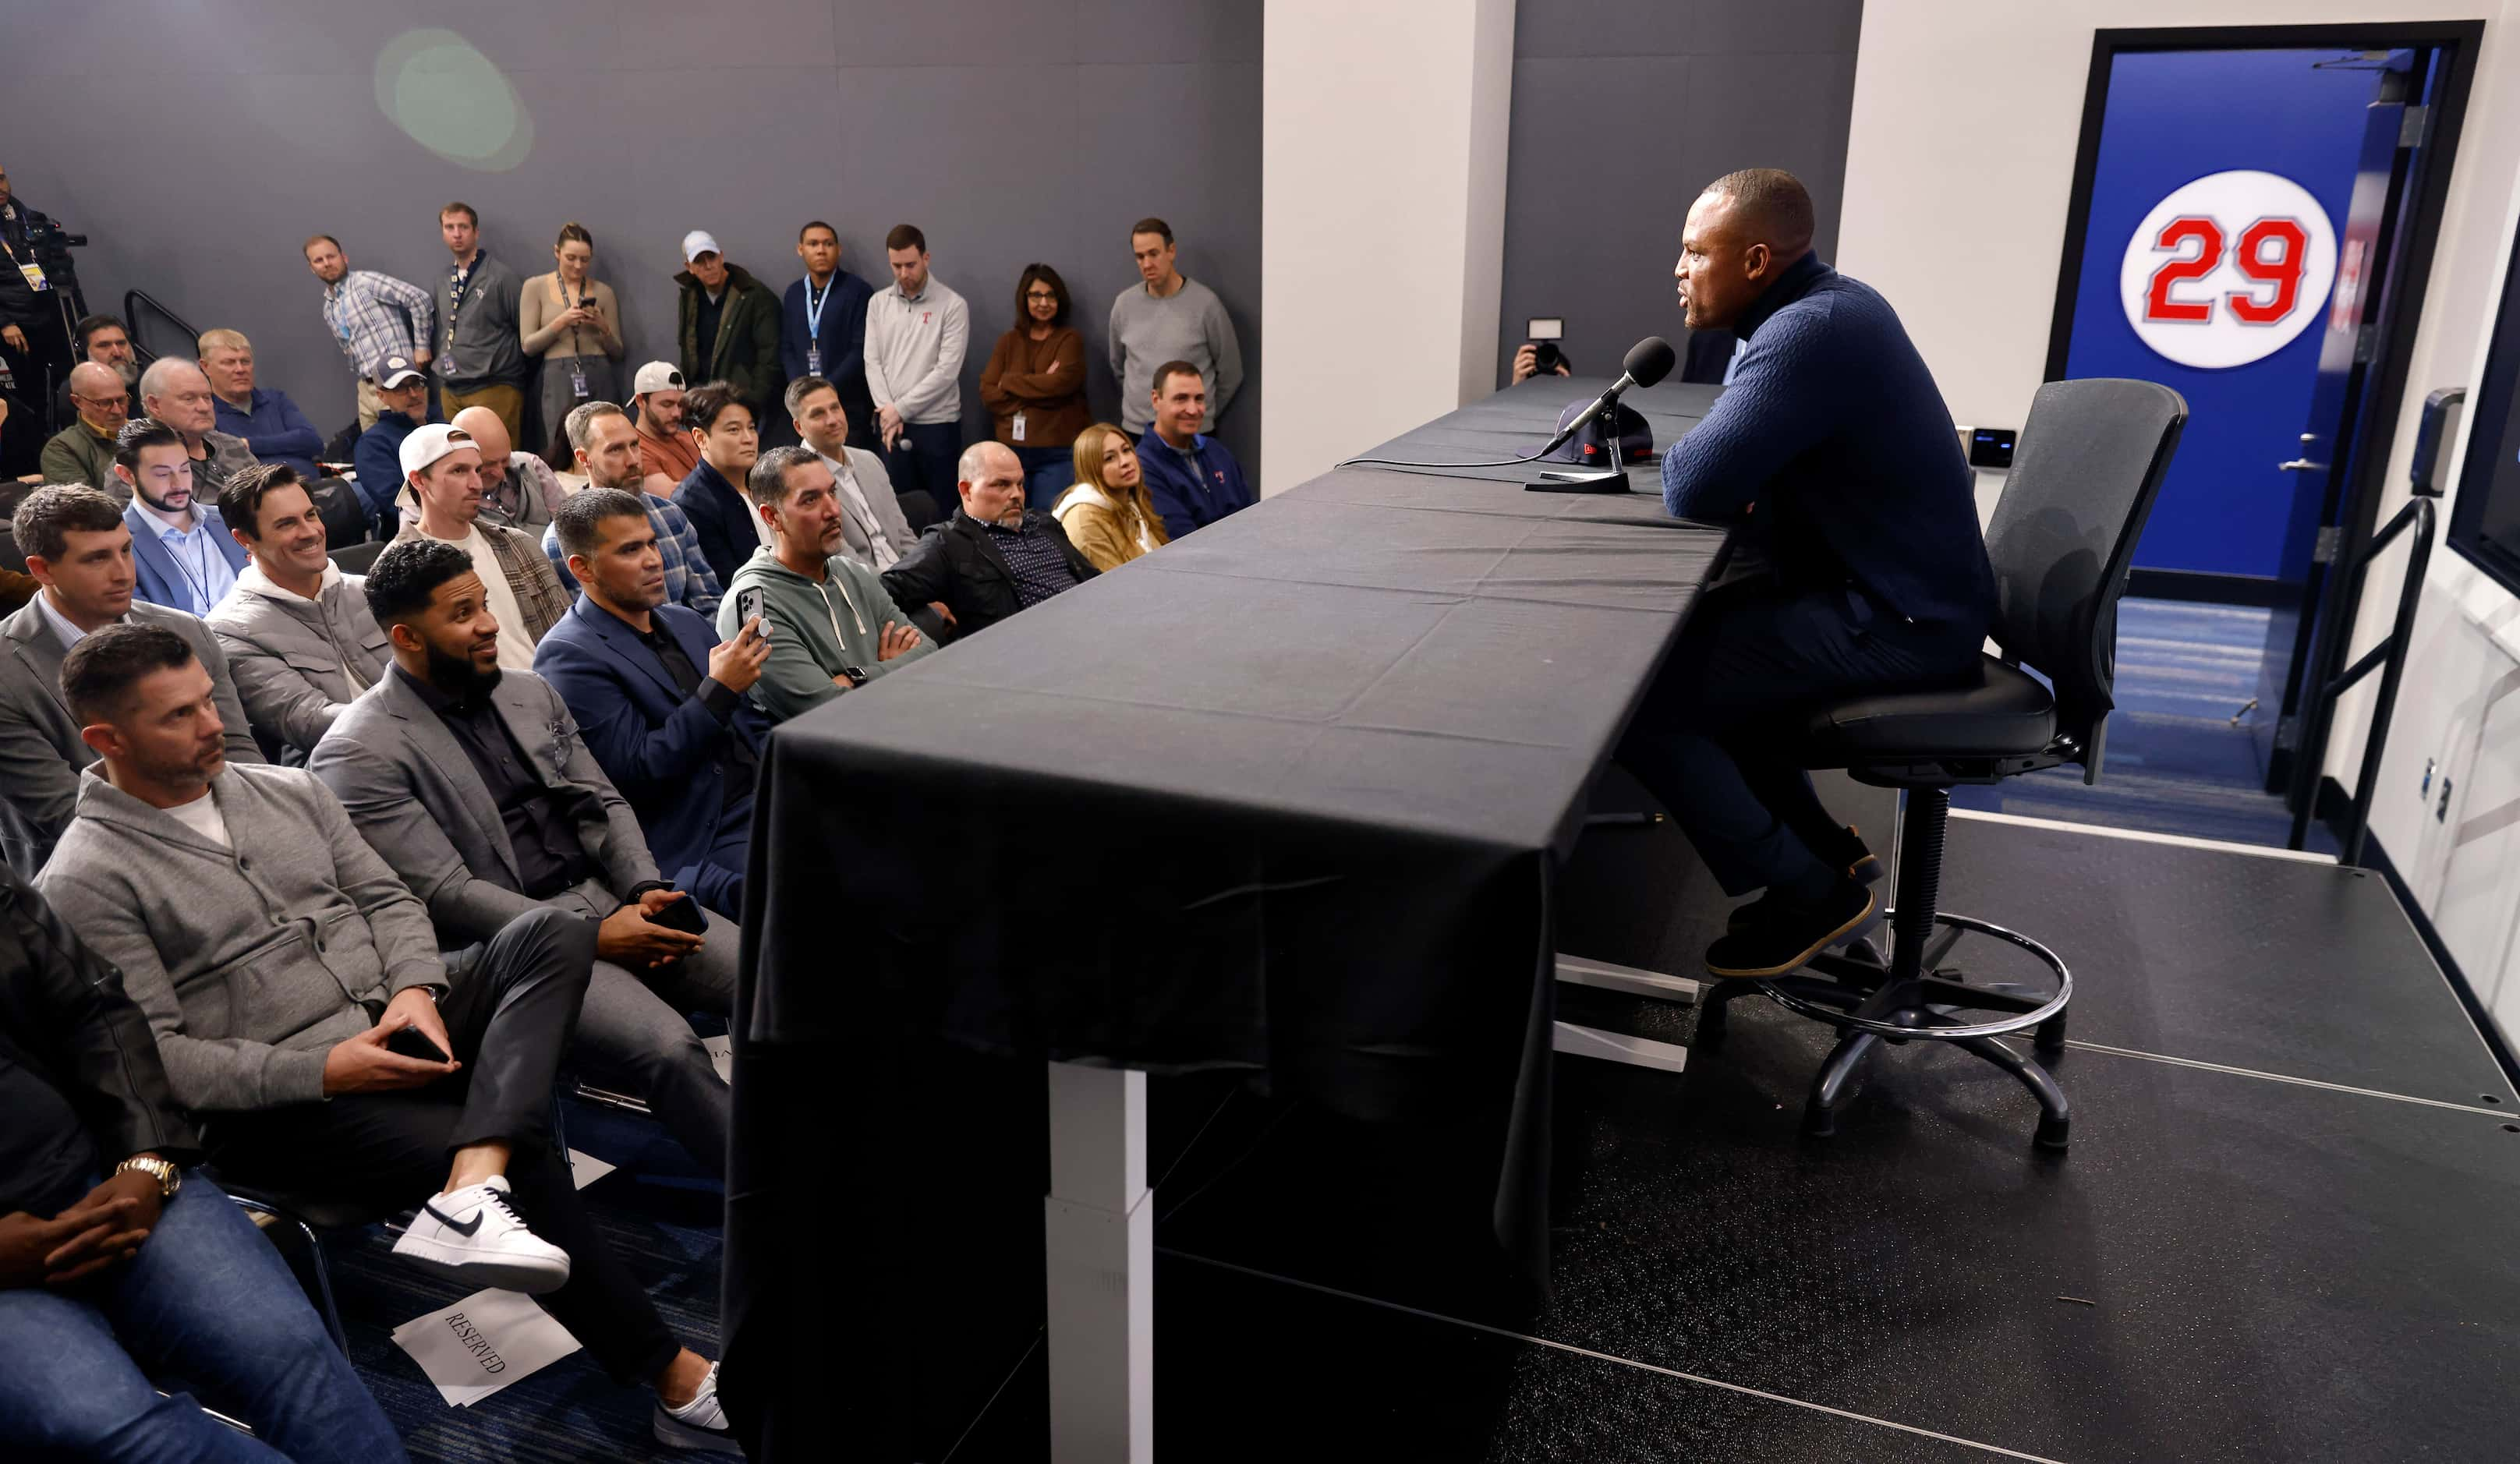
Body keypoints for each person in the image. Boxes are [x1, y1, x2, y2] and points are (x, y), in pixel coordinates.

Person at [41, 623, 741, 1455]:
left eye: (207, 700)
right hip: (292, 1107)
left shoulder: (282, 790)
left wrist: (414, 989)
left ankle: (471, 1177)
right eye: (180, 716)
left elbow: (391, 900)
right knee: (522, 1148)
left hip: (401, 1024)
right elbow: (157, 1061)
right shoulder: (84, 879)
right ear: (105, 740)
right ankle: (671, 1377)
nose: (212, 723)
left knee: (551, 932)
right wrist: (327, 1068)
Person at [1613, 168, 1995, 980]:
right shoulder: (1822, 310)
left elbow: (1695, 486)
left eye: (1693, 252)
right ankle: (1824, 851)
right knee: (1703, 640)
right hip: (1908, 603)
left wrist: (1716, 463)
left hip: (1901, 626)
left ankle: (1806, 890)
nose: (1678, 270)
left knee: (1639, 691)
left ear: (1754, 261)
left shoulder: (1809, 332)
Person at [307, 539, 741, 1183]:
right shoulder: (357, 751)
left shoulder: (528, 692)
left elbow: (603, 800)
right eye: (462, 616)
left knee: (776, 981)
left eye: (483, 605)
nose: (487, 624)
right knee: (670, 1048)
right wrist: (595, 937)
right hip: (520, 943)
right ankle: (773, 1196)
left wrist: (643, 886)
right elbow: (448, 891)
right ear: (406, 637)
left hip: (613, 895)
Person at [0, 858, 409, 1463]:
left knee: (287, 1349)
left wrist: (147, 1160)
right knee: (113, 1429)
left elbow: (97, 1013)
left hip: (106, 1167)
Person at [0, 486, 263, 873]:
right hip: (101, 873)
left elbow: (238, 749)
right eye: (96, 559)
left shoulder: (188, 630)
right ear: (41, 570)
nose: (122, 572)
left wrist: (251, 835)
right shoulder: (6, 674)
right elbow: (70, 812)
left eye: (125, 550)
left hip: (234, 836)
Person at [538, 490, 770, 920]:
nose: (652, 559)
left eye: (651, 543)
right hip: (703, 831)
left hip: (763, 794)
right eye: (630, 550)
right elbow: (637, 774)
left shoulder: (684, 621)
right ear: (582, 568)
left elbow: (747, 726)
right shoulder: (569, 655)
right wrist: (719, 691)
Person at [720, 447, 933, 723]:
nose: (833, 510)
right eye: (810, 500)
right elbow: (826, 709)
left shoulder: (853, 573)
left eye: (832, 492)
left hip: (898, 726)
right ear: (772, 517)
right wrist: (892, 668)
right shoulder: (755, 603)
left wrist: (859, 676)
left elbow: (929, 652)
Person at [209, 463, 389, 759]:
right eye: (286, 524)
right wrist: (418, 719)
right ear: (245, 539)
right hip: (344, 771)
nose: (310, 532)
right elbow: (309, 721)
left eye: (311, 515)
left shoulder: (372, 591)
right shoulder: (231, 630)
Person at [388, 423, 569, 669]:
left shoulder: (517, 544)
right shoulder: (398, 571)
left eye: (477, 470)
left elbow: (566, 631)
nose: (476, 484)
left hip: (554, 689)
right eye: (459, 471)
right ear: (419, 480)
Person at [883, 441, 1096, 643]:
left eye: (1020, 484)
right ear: (966, 490)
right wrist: (928, 611)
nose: (1016, 494)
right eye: (1001, 485)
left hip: (1091, 623)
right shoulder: (947, 544)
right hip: (1030, 650)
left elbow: (1092, 578)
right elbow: (883, 592)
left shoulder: (1043, 523)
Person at [543, 401, 723, 614]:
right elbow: (585, 628)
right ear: (584, 458)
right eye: (616, 450)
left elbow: (710, 603)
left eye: (635, 445)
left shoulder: (670, 514)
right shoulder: (564, 537)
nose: (632, 460)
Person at [863, 224, 969, 512]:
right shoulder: (878, 303)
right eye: (896, 266)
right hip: (890, 425)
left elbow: (947, 371)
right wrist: (888, 411)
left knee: (943, 510)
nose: (903, 273)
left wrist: (900, 409)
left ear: (926, 258)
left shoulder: (952, 304)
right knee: (897, 511)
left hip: (937, 425)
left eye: (910, 265)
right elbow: (872, 362)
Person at [1109, 217, 1243, 437]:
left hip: (1192, 432)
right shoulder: (1124, 305)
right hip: (1138, 433)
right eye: (1140, 257)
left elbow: (1230, 372)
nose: (1147, 264)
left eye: (1154, 254)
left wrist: (1198, 413)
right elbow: (1119, 368)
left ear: (1171, 251)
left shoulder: (1206, 304)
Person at [979, 263, 1088, 508]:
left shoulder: (1069, 340)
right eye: (1036, 295)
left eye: (1050, 295)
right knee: (1010, 525)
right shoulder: (1009, 341)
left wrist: (1008, 381)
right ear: (1024, 298)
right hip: (1010, 454)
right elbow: (989, 394)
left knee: (1046, 526)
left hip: (1057, 455)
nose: (1043, 302)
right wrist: (1041, 388)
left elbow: (1061, 386)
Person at [114, 419, 247, 617]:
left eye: (185, 469)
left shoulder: (228, 519)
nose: (178, 484)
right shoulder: (119, 544)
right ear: (127, 475)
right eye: (162, 474)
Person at [304, 234, 434, 431]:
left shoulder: (366, 282)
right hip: (366, 390)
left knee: (410, 450)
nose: (326, 264)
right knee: (373, 449)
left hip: (399, 387)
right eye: (319, 260)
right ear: (312, 268)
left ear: (343, 257)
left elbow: (419, 299)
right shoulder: (328, 308)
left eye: (331, 256)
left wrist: (422, 347)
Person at [0, 164, 80, 478]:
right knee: (27, 397)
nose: (0, 186)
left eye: (2, 177)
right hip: (12, 327)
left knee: (69, 383)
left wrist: (78, 319)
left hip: (50, 316)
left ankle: (68, 451)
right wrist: (4, 322)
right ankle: (34, 461)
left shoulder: (32, 219)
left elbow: (62, 273)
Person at [788, 374, 916, 571]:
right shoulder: (800, 479)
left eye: (835, 408)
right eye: (818, 414)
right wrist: (900, 589)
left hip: (906, 576)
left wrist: (924, 575)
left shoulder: (870, 460)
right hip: (864, 589)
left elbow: (903, 534)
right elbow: (840, 558)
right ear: (799, 427)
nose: (832, 420)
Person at [520, 222, 624, 458]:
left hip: (599, 369)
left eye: (585, 260)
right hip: (558, 372)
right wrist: (562, 321)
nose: (578, 266)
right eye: (571, 258)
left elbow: (618, 351)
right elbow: (528, 345)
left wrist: (602, 327)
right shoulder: (535, 287)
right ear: (557, 252)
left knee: (606, 436)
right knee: (558, 440)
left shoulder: (604, 292)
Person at [431, 202, 526, 443]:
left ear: (476, 232)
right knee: (459, 461)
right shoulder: (443, 280)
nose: (457, 234)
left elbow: (524, 333)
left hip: (493, 387)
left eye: (463, 227)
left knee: (499, 461)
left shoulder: (500, 277)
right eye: (449, 227)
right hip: (451, 387)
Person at [781, 221, 876, 451]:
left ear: (839, 249)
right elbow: (787, 347)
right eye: (813, 244)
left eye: (828, 244)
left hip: (847, 405)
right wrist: (801, 388)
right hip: (805, 407)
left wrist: (826, 388)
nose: (821, 250)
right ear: (800, 249)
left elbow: (860, 348)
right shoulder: (794, 293)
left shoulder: (858, 291)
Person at [1134, 361, 1254, 540]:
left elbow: (1253, 515)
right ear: (1156, 400)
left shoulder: (1216, 451)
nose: (1193, 410)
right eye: (1181, 398)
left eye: (1199, 399)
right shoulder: (1144, 467)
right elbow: (1184, 541)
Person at [671, 382, 773, 589]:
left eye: (751, 428)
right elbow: (728, 584)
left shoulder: (767, 481)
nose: (748, 439)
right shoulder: (692, 504)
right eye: (734, 430)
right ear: (701, 438)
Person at [674, 232, 780, 423]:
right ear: (689, 267)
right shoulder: (690, 297)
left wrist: (754, 400)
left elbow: (770, 356)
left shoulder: (755, 296)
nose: (709, 265)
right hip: (701, 403)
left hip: (743, 403)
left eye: (712, 257)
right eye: (699, 261)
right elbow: (687, 349)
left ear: (721, 255)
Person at [199, 329, 324, 479]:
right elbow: (224, 461)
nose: (240, 369)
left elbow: (311, 441)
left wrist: (249, 444)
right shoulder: (205, 411)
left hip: (315, 486)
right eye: (229, 362)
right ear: (205, 367)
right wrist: (287, 443)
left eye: (245, 361)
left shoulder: (275, 399)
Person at [136, 358, 260, 504]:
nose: (204, 407)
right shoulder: (136, 461)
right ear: (155, 405)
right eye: (189, 399)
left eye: (207, 397)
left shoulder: (232, 445)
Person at [430, 404, 565, 534]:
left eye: (505, 460)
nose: (500, 473)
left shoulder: (531, 466)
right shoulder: (444, 497)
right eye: (488, 464)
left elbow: (569, 525)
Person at [1053, 422, 1170, 571]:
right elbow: (1114, 587)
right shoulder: (1085, 519)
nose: (1125, 462)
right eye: (1110, 458)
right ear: (1092, 469)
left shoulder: (1129, 500)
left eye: (1126, 450)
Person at [351, 354, 429, 529]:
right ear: (381, 395)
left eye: (416, 384)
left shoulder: (443, 427)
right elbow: (399, 505)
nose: (414, 394)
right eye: (400, 388)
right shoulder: (373, 445)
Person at [39, 361, 129, 494]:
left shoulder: (152, 434)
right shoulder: (62, 449)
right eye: (105, 403)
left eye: (121, 400)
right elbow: (85, 510)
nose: (117, 411)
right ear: (78, 402)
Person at [52, 313, 141, 426]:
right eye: (104, 346)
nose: (117, 353)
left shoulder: (146, 381)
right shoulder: (75, 391)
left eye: (121, 343)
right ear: (84, 354)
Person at [631, 361, 699, 493]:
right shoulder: (635, 451)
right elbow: (675, 499)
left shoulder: (690, 438)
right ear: (641, 401)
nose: (677, 414)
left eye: (680, 405)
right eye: (667, 404)